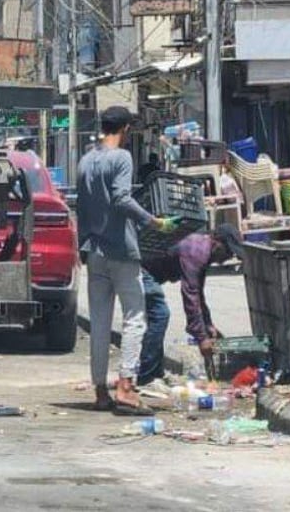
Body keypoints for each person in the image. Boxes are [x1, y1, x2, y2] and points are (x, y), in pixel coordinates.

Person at [76, 105, 177, 414]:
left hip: (94, 251)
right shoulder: (121, 157)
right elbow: (121, 198)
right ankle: (126, 385)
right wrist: (154, 222)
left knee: (101, 322)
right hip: (120, 249)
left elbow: (81, 205)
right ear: (125, 130)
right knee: (135, 316)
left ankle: (99, 391)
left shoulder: (85, 160)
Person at [137, 223, 246, 387]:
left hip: (151, 272)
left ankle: (155, 373)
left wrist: (208, 325)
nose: (227, 258)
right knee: (160, 315)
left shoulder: (205, 251)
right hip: (141, 269)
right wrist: (201, 338)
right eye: (228, 251)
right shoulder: (197, 251)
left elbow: (199, 294)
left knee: (157, 317)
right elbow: (190, 295)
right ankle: (146, 376)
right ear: (217, 242)